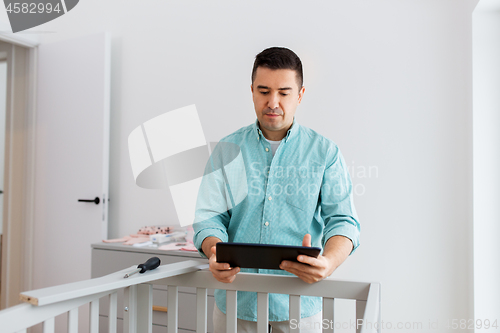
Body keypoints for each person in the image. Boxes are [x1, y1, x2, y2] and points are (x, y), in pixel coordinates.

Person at [193, 47, 360, 332]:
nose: (273, 102)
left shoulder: (325, 153)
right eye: (263, 91)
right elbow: (209, 218)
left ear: (300, 94)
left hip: (299, 306)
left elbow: (344, 221)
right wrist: (213, 251)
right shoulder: (226, 150)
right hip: (235, 304)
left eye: (283, 92)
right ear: (252, 91)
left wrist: (328, 263)